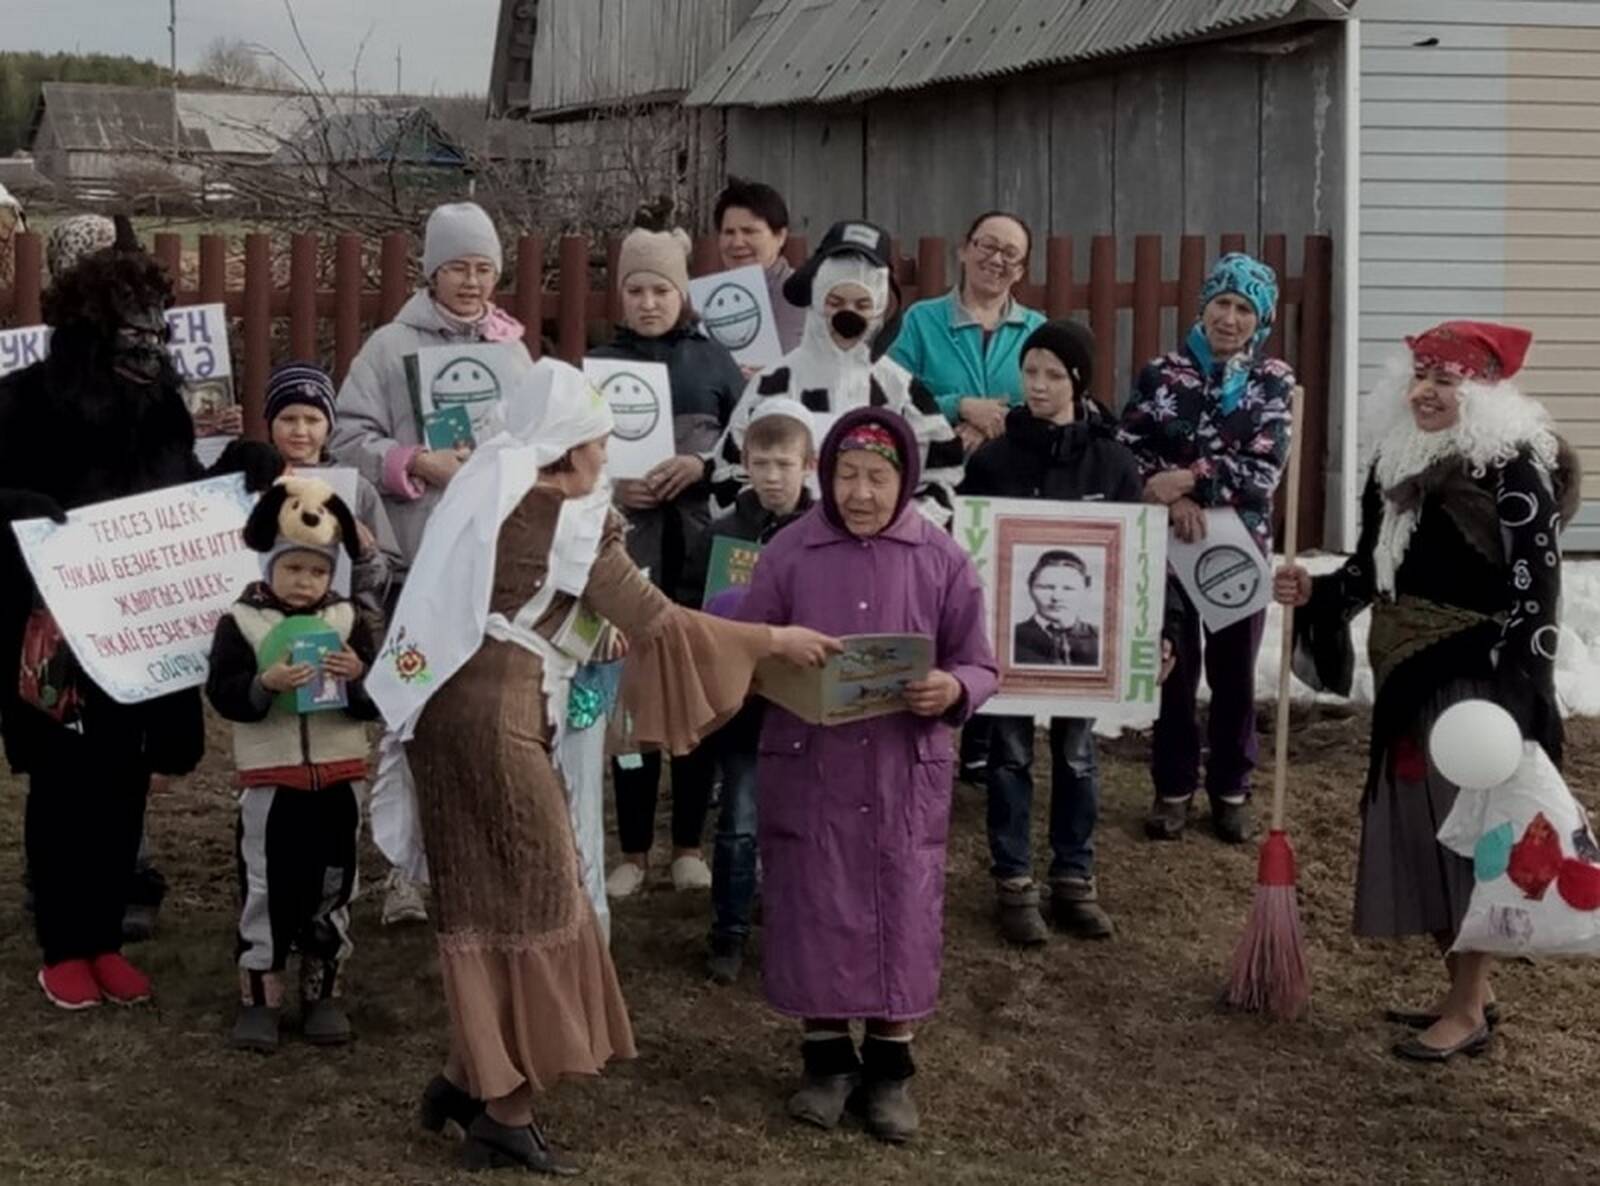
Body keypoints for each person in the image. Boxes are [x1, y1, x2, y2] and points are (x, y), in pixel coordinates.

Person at [366, 361, 837, 1174]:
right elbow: (659, 622)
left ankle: (465, 1075)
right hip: (498, 721)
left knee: (476, 898)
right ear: (572, 450)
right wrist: (769, 642)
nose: (607, 458)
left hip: (440, 717)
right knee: (539, 897)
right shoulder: (567, 517)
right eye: (600, 443)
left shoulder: (487, 489)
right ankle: (505, 1112)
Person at [1274, 321, 1579, 1062]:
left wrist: (1518, 695)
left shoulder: (1510, 471)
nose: (1428, 392)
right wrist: (1314, 589)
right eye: (1420, 376)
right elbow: (1375, 573)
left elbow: (1536, 591)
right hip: (1409, 679)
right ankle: (1467, 991)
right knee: (1425, 832)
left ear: (1481, 392)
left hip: (1477, 687)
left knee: (1472, 836)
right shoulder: (1400, 463)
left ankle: (1469, 1005)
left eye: (1446, 380)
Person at [0, 217, 279, 1010]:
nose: (151, 350)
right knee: (64, 785)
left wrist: (236, 472)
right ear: (91, 331)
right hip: (50, 632)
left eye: (158, 335)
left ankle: (104, 937)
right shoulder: (20, 404)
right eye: (134, 335)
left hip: (138, 629)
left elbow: (179, 490)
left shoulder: (158, 404)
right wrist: (13, 506)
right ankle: (62, 941)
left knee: (125, 781)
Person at [736, 407, 998, 1145]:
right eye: (847, 476)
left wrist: (952, 691)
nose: (859, 493)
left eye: (877, 478)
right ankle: (825, 1063)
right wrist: (774, 662)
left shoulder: (940, 558)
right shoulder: (789, 554)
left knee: (901, 907)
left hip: (899, 769)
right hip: (810, 762)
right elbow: (751, 649)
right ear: (825, 476)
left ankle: (888, 1071)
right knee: (813, 900)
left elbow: (980, 662)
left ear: (903, 480)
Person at [959, 319, 1145, 945]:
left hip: (1087, 655)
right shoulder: (992, 460)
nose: (1037, 386)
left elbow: (1140, 555)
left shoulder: (1114, 463)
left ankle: (1074, 876)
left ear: (1078, 382)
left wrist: (1160, 627)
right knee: (1009, 756)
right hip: (1008, 647)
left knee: (1078, 756)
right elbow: (970, 549)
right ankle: (1013, 880)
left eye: (1051, 375)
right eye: (1029, 372)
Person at [591, 226, 746, 898]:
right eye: (637, 290)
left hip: (700, 556)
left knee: (694, 699)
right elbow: (571, 461)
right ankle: (632, 849)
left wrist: (701, 467)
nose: (649, 302)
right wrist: (612, 485)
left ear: (682, 292)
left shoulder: (716, 364)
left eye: (661, 289)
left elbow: (746, 454)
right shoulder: (598, 365)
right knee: (630, 705)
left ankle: (687, 843)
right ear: (620, 295)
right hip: (628, 561)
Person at [1118, 252, 1294, 844]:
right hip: (1170, 543)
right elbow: (1130, 449)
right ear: (1203, 305)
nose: (1230, 318)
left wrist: (1191, 479)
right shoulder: (1162, 373)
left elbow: (1264, 468)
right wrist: (1167, 499)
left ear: (1259, 320)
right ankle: (1172, 787)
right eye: (1222, 303)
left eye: (1245, 309)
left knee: (1234, 671)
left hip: (1238, 548)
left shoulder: (1274, 382)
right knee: (1174, 665)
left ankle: (1230, 787)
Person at [205, 477, 376, 1052]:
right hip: (270, 781)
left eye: (318, 572)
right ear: (270, 566)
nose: (305, 583)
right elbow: (224, 693)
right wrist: (263, 684)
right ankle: (261, 994)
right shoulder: (241, 623)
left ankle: (323, 989)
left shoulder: (351, 623)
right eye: (293, 570)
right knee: (265, 886)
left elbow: (383, 696)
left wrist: (360, 681)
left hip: (338, 775)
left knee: (334, 883)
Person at [265, 361, 432, 928]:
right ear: (270, 425)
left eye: (313, 418)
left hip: (338, 644)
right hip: (270, 645)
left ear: (329, 426)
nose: (301, 430)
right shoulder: (255, 483)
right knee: (279, 760)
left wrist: (363, 550)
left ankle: (378, 876)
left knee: (342, 761)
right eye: (288, 417)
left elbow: (382, 575)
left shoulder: (354, 488)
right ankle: (274, 878)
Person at [682, 399, 818, 984]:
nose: (771, 476)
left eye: (784, 465)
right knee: (737, 819)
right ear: (743, 464)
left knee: (804, 824)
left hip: (805, 707)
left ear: (807, 466)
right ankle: (729, 934)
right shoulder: (718, 535)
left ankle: (796, 927)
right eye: (761, 464)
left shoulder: (824, 536)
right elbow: (689, 611)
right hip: (742, 707)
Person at [712, 219, 964, 523]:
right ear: (817, 301)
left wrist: (901, 526)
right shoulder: (774, 382)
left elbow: (943, 476)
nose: (848, 313)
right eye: (836, 302)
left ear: (880, 307)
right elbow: (730, 471)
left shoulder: (901, 389)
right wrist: (779, 518)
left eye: (862, 304)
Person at [330, 201, 531, 570]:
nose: (472, 282)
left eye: (483, 269)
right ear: (434, 273)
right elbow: (347, 439)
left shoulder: (512, 350)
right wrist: (417, 463)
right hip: (415, 545)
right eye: (458, 268)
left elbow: (536, 436)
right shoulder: (388, 347)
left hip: (495, 545)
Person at [889, 211, 1045, 453]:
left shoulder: (1037, 329)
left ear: (1020, 271)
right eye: (987, 245)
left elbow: (1055, 408)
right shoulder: (921, 320)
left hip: (1018, 476)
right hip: (936, 470)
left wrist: (991, 423)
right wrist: (961, 407)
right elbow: (892, 398)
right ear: (964, 250)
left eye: (1010, 254)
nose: (996, 260)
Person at [715, 176, 806, 355]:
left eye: (749, 231)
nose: (737, 242)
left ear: (780, 236)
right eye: (729, 232)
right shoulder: (705, 301)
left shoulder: (806, 300)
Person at [1013, 552, 1100, 668]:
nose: (1056, 597)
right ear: (1030, 589)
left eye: (1068, 589)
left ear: (1086, 591)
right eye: (1047, 588)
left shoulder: (1101, 638)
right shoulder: (1012, 638)